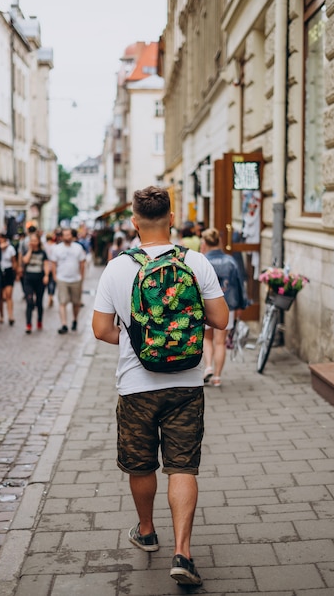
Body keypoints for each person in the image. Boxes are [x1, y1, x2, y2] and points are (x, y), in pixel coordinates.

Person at [92, 186, 228, 586]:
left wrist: (143, 342)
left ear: (133, 223)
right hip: (186, 382)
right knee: (182, 466)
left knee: (142, 464)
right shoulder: (196, 261)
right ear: (172, 219)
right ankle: (183, 553)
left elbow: (101, 329)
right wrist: (179, 336)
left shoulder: (116, 268)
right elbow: (220, 321)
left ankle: (147, 531)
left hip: (136, 384)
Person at [201, 227, 247, 387]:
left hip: (206, 305)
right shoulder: (230, 261)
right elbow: (239, 285)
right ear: (219, 241)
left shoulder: (202, 260)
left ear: (205, 243)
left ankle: (208, 367)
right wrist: (242, 304)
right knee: (220, 342)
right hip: (227, 305)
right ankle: (217, 377)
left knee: (207, 339)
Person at [51, 228, 86, 334]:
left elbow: (82, 263)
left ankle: (75, 320)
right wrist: (55, 276)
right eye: (65, 235)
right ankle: (64, 324)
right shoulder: (57, 248)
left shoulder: (78, 248)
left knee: (76, 303)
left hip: (76, 279)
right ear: (61, 236)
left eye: (68, 235)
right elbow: (53, 263)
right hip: (62, 279)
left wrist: (81, 277)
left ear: (72, 236)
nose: (67, 237)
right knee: (62, 302)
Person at [22, 232, 49, 334]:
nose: (33, 242)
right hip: (28, 279)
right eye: (31, 241)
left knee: (39, 302)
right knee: (29, 302)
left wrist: (46, 275)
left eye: (35, 241)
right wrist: (30, 250)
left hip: (39, 280)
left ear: (38, 241)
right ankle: (28, 324)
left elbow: (46, 264)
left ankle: (39, 320)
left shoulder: (43, 252)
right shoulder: (27, 251)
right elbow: (25, 261)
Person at [0, 233, 17, 325]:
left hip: (8, 271)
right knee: (0, 296)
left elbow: (14, 261)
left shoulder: (10, 249)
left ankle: (10, 315)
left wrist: (16, 273)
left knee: (8, 295)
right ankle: (1, 315)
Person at [44, 232, 57, 307]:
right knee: (52, 283)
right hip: (53, 266)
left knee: (48, 283)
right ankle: (50, 296)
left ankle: (50, 297)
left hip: (46, 266)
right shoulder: (55, 246)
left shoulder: (44, 246)